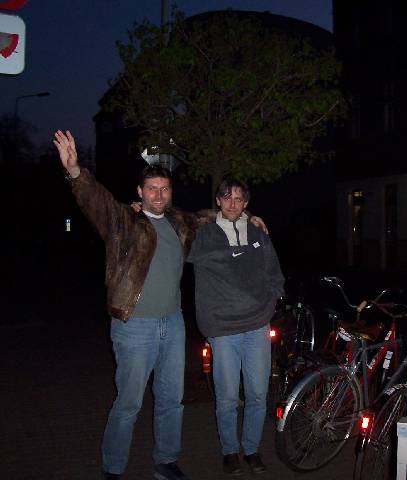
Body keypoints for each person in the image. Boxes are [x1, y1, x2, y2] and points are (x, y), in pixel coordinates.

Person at [54, 130, 266, 479]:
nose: (158, 194)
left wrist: (248, 216)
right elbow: (95, 200)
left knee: (171, 399)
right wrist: (76, 171)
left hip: (173, 323)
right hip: (134, 325)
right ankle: (113, 467)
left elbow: (212, 215)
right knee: (129, 402)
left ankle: (166, 461)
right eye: (151, 188)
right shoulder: (124, 221)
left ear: (170, 193)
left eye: (164, 189)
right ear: (139, 192)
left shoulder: (179, 222)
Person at [187, 176, 284, 476]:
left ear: (246, 203)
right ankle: (229, 451)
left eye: (238, 198)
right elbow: (170, 224)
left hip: (256, 326)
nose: (232, 203)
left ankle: (251, 449)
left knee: (257, 394)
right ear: (218, 200)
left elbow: (273, 271)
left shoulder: (257, 232)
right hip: (223, 330)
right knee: (228, 397)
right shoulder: (203, 234)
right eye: (227, 197)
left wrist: (271, 302)